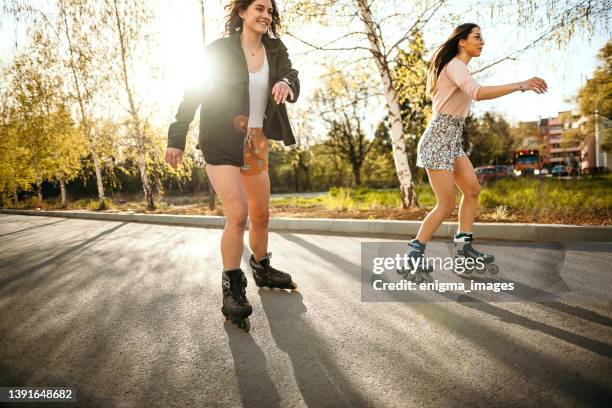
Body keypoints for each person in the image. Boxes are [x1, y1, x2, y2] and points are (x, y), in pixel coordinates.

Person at [165, 0, 300, 331]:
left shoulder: (275, 48)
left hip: (256, 140)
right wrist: (176, 136)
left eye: (270, 11)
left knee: (262, 215)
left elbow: (291, 75)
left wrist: (287, 85)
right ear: (242, 12)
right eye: (259, 8)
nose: (266, 15)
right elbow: (193, 91)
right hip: (221, 138)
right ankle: (232, 289)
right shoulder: (221, 50)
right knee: (238, 215)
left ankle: (262, 266)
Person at [399, 23, 547, 282]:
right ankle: (413, 256)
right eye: (477, 37)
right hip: (438, 140)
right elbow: (476, 93)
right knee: (445, 205)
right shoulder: (455, 65)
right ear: (461, 41)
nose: (482, 42)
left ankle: (463, 249)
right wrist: (521, 84)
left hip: (452, 141)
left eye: (482, 37)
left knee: (472, 190)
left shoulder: (459, 67)